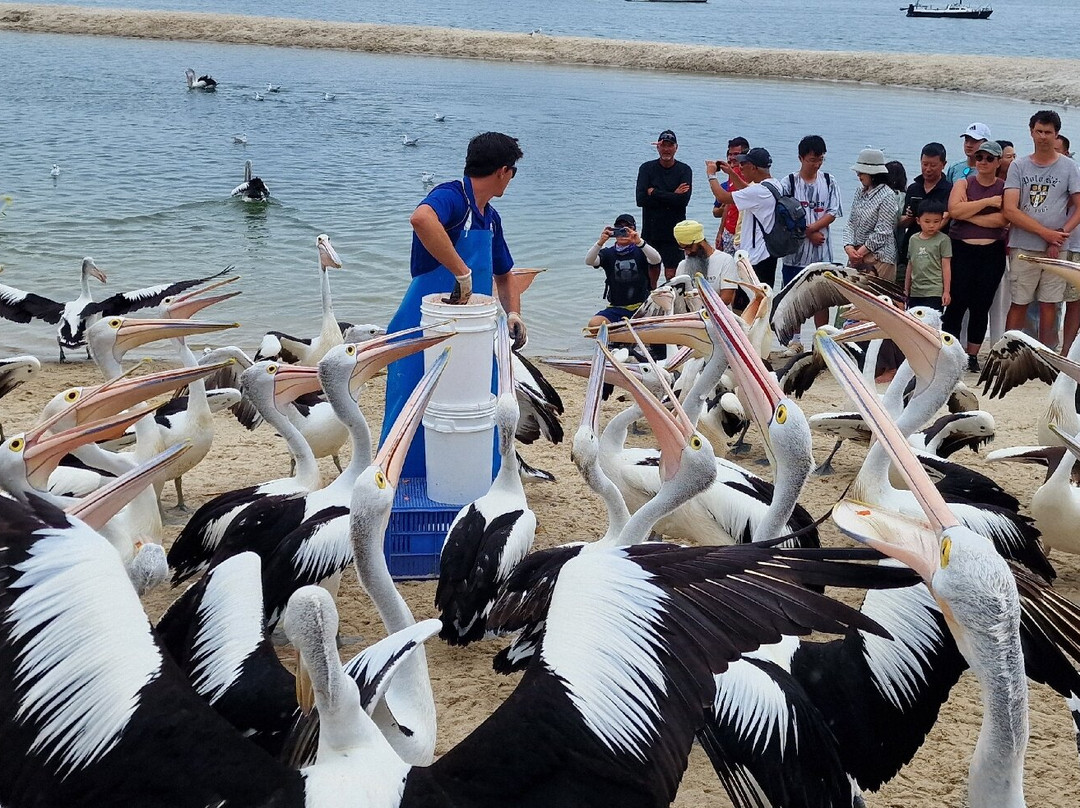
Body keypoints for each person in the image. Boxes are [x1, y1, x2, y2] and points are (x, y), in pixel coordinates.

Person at [382, 131, 525, 477]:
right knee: (411, 406)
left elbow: (505, 274)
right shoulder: (453, 197)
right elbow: (421, 219)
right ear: (503, 171)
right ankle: (400, 479)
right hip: (422, 324)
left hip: (470, 333)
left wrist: (515, 313)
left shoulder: (490, 218)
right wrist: (461, 272)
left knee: (473, 407)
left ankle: (470, 477)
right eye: (514, 172)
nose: (512, 179)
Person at [1003, 109, 1080, 349]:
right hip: (1024, 245)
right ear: (1031, 132)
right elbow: (1010, 209)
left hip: (1057, 248)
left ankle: (1047, 355)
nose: (1043, 137)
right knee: (1019, 302)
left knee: (1051, 304)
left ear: (1056, 134)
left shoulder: (1069, 167)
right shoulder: (1019, 166)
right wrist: (1044, 233)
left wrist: (1059, 235)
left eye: (1048, 132)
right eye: (1039, 131)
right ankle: (1008, 353)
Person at [942, 139, 1008, 372]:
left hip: (991, 252)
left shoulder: (1004, 186)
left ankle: (972, 355)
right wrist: (988, 203)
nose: (983, 162)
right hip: (961, 249)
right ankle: (949, 353)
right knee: (956, 303)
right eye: (980, 157)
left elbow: (1002, 220)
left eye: (989, 158)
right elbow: (954, 210)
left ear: (998, 161)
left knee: (981, 305)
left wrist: (967, 212)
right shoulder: (964, 182)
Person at [706, 147, 784, 288]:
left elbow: (722, 197)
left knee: (746, 305)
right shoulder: (773, 185)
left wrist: (711, 175)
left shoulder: (759, 191)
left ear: (753, 167)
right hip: (768, 253)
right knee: (762, 301)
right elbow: (747, 190)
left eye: (744, 164)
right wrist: (730, 173)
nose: (740, 168)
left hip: (755, 258)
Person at [779, 135, 843, 290]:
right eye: (812, 160)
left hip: (822, 254)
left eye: (821, 159)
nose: (817, 164)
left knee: (820, 301)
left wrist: (811, 229)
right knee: (792, 302)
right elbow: (782, 216)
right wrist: (807, 233)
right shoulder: (788, 183)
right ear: (801, 158)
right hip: (794, 257)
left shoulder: (829, 181)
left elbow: (832, 212)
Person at [584, 213, 661, 327]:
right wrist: (600, 242)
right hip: (617, 308)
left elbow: (656, 260)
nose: (623, 233)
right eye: (619, 228)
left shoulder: (642, 250)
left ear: (634, 230)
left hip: (643, 307)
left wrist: (639, 242)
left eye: (627, 228)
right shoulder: (608, 253)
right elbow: (589, 261)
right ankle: (617, 338)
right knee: (594, 324)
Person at [636, 129, 692, 286]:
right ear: (658, 147)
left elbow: (683, 201)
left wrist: (654, 192)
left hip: (675, 231)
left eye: (670, 145)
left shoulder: (684, 170)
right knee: (650, 273)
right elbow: (640, 200)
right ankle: (649, 301)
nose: (666, 149)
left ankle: (673, 306)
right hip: (651, 229)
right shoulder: (646, 168)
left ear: (676, 148)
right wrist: (673, 195)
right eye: (663, 145)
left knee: (672, 274)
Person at [844, 148, 899, 283]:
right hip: (856, 255)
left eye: (861, 172)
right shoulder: (859, 192)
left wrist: (859, 253)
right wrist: (849, 247)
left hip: (879, 258)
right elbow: (851, 222)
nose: (858, 175)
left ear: (872, 173)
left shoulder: (888, 195)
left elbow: (883, 231)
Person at [898, 143, 952, 269]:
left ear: (943, 164)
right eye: (924, 164)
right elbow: (902, 222)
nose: (928, 169)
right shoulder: (913, 188)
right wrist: (911, 216)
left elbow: (947, 217)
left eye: (933, 165)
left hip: (937, 248)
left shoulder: (949, 190)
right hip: (911, 244)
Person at [672, 220, 739, 306]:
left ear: (700, 240)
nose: (687, 253)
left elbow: (726, 299)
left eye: (689, 247)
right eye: (683, 249)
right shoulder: (682, 265)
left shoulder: (725, 260)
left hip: (717, 315)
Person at [903, 198, 952, 313]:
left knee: (931, 323)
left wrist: (946, 291)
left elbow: (946, 266)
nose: (931, 225)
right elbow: (910, 264)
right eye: (927, 221)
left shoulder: (943, 240)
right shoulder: (913, 239)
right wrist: (906, 289)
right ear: (918, 220)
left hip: (934, 291)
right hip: (915, 291)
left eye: (936, 221)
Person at [712, 137, 749, 253]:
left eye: (736, 154)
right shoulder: (732, 173)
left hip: (742, 234)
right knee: (726, 268)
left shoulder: (748, 174)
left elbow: (723, 198)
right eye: (730, 154)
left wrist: (711, 176)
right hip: (728, 231)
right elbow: (728, 204)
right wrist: (720, 232)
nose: (732, 157)